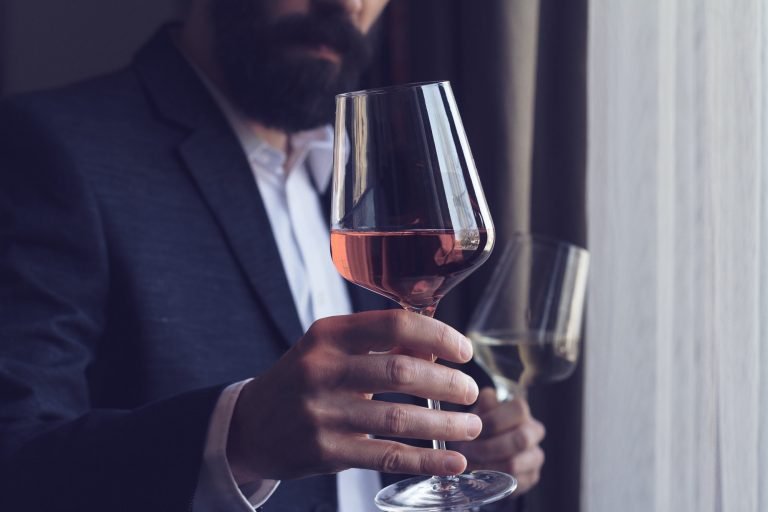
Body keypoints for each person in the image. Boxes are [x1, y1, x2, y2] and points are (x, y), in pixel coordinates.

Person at [0, 0, 545, 510]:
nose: (346, 2)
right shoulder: (51, 148)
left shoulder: (371, 171)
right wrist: (237, 438)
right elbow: (15, 458)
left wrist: (460, 456)